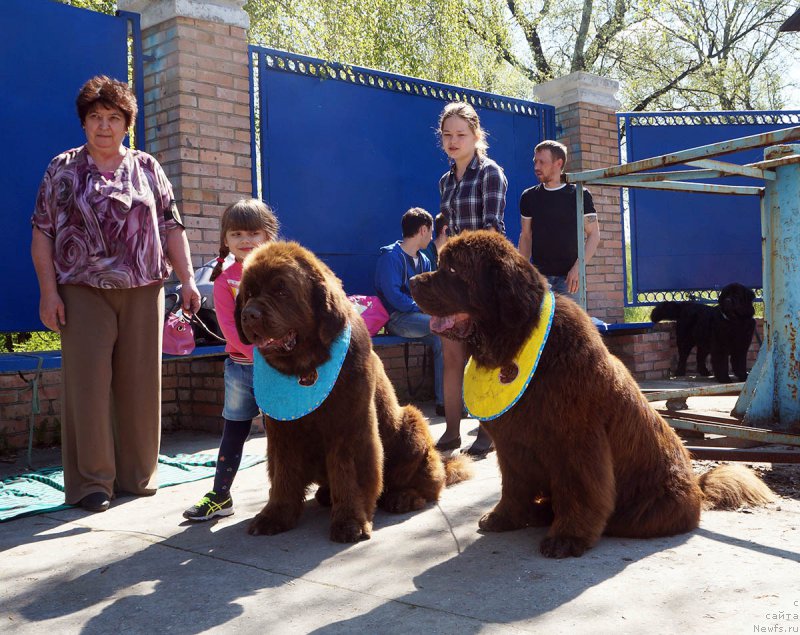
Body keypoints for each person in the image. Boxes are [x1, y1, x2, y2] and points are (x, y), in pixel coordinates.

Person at [30, 75, 201, 513]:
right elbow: (43, 233)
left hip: (144, 288)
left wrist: (187, 280)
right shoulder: (62, 168)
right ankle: (92, 483)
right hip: (81, 290)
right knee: (88, 385)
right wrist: (49, 293)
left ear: (127, 123)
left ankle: (137, 476)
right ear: (83, 122)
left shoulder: (148, 167)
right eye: (95, 117)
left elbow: (172, 227)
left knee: (140, 383)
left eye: (113, 117)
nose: (104, 126)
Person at [183, 199, 280, 521]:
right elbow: (231, 330)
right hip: (243, 369)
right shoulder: (225, 281)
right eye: (236, 234)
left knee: (284, 434)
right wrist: (266, 356)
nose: (245, 240)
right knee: (234, 432)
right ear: (225, 239)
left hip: (281, 371)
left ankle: (284, 495)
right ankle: (220, 495)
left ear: (268, 235)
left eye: (253, 233)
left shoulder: (281, 275)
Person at [437, 101, 508, 456]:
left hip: (483, 280)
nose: (453, 141)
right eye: (447, 134)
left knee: (484, 356)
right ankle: (451, 431)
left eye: (460, 134)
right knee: (451, 355)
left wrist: (471, 278)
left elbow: (492, 232)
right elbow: (448, 231)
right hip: (454, 281)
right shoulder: (445, 181)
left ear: (476, 135)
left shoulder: (490, 173)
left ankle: (487, 430)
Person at [375, 207, 444, 415]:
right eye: (431, 232)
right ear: (423, 230)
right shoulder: (391, 257)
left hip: (421, 320)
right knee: (442, 327)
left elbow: (430, 292)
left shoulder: (424, 260)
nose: (431, 237)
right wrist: (423, 308)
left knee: (442, 339)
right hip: (397, 319)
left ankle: (444, 403)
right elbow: (394, 297)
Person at [518, 139, 600, 302]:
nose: (536, 167)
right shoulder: (529, 196)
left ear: (558, 163)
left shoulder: (579, 194)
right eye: (535, 161)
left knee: (572, 319)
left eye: (542, 162)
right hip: (540, 280)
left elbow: (594, 234)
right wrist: (522, 272)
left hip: (570, 280)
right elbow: (526, 236)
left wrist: (578, 268)